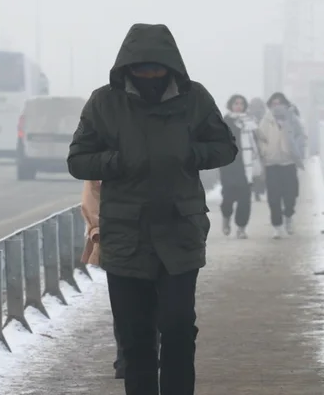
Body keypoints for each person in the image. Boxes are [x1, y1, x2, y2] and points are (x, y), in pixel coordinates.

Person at [67, 23, 238, 395]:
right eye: (141, 69)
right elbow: (78, 160)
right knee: (135, 337)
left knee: (178, 327)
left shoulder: (195, 98)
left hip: (180, 232)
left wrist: (188, 154)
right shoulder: (104, 102)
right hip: (126, 235)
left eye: (156, 68)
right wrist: (118, 161)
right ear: (127, 67)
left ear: (170, 66)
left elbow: (225, 148)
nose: (149, 75)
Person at [80, 180, 158, 379]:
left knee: (153, 300)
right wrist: (96, 228)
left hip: (158, 235)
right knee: (126, 304)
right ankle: (127, 357)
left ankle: (142, 356)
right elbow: (93, 189)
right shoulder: (109, 161)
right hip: (119, 238)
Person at [256, 92, 307, 238]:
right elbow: (260, 138)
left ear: (285, 104)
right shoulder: (266, 120)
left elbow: (301, 136)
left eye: (279, 103)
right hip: (271, 164)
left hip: (289, 163)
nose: (277, 106)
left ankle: (288, 216)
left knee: (291, 195)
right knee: (274, 198)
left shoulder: (292, 119)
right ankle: (277, 226)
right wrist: (265, 151)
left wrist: (296, 151)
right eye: (274, 103)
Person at [219, 94, 260, 239]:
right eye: (236, 103)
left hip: (245, 166)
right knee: (228, 198)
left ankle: (241, 228)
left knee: (245, 199)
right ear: (231, 105)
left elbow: (256, 144)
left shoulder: (250, 123)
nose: (238, 106)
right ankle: (226, 217)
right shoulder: (224, 122)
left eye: (241, 104)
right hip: (229, 165)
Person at [247, 97, 267, 201]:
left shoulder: (265, 118)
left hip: (262, 146)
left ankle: (258, 191)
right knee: (254, 171)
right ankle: (255, 192)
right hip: (252, 147)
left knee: (261, 171)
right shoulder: (247, 118)